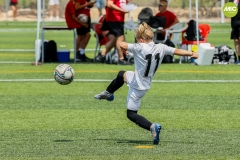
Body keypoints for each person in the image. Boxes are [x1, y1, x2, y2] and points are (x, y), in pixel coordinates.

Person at [94, 22, 198, 145]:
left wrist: (124, 46)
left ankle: (151, 126)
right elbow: (176, 51)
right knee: (121, 74)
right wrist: (192, 53)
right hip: (144, 81)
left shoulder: (140, 47)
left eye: (137, 40)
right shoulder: (161, 47)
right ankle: (108, 93)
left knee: (131, 114)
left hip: (138, 84)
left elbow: (122, 44)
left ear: (142, 40)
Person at [95, 0, 130, 65]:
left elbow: (120, 3)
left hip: (119, 18)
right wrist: (121, 10)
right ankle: (121, 59)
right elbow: (109, 4)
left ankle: (102, 55)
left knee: (117, 37)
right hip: (114, 18)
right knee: (120, 37)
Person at [229, 0, 240, 64]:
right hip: (234, 22)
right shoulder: (232, 0)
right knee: (236, 40)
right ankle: (239, 58)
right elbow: (228, 10)